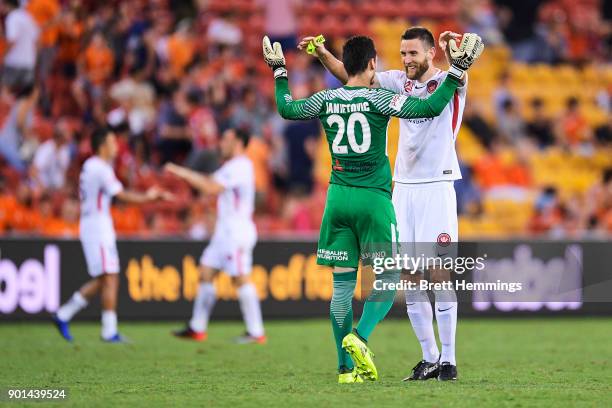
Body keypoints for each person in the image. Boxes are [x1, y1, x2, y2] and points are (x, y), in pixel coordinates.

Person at [266, 33, 482, 383]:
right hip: (401, 187)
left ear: (431, 52)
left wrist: (458, 63)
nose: (406, 58)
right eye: (401, 52)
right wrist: (323, 54)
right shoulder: (395, 83)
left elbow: (356, 83)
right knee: (410, 277)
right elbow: (352, 77)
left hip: (438, 184)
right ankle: (429, 357)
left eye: (413, 52)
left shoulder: (449, 79)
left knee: (439, 275)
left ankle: (449, 360)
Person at [52, 128, 172, 342]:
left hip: (94, 223)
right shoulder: (100, 167)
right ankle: (108, 330)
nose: (116, 146)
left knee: (106, 277)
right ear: (102, 146)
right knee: (110, 276)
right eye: (112, 142)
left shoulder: (92, 165)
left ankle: (65, 314)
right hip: (97, 226)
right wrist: (150, 197)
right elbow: (121, 195)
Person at [167, 128, 265, 345]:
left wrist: (182, 172)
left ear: (239, 142)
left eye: (226, 139)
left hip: (236, 232)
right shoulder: (231, 167)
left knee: (240, 278)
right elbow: (210, 181)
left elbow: (211, 187)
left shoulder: (241, 165)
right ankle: (197, 328)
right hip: (224, 233)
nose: (221, 143)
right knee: (205, 272)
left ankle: (256, 332)